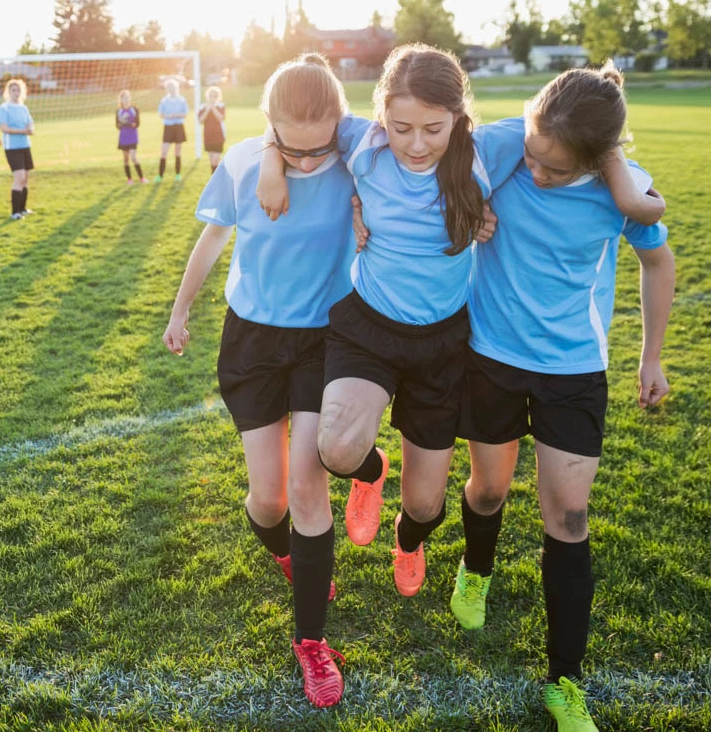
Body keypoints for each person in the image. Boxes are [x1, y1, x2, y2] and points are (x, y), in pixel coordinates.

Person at [257, 44, 664, 601]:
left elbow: (568, 120)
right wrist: (268, 163)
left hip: (446, 342)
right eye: (400, 127)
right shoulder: (362, 143)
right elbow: (296, 129)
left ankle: (410, 538)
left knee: (425, 506)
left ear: (458, 117)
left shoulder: (488, 149)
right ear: (380, 115)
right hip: (369, 325)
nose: (416, 144)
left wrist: (624, 186)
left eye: (433, 128)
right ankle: (371, 473)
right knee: (337, 450)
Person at [451, 62, 676, 732]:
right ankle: (475, 569)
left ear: (595, 160)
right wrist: (473, 206)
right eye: (532, 154)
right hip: (489, 353)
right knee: (488, 489)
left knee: (570, 516)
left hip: (573, 369)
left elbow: (657, 258)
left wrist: (652, 355)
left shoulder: (623, 190)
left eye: (552, 167)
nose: (535, 171)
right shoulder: (508, 146)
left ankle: (564, 684)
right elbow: (436, 166)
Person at [162, 53, 374, 709]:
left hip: (323, 337)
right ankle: (354, 482)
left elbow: (404, 123)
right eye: (292, 149)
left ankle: (311, 642)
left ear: (339, 126)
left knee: (310, 490)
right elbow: (211, 239)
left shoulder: (358, 151)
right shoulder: (243, 159)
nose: (310, 163)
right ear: (268, 128)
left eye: (320, 150)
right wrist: (179, 308)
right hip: (251, 340)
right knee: (270, 502)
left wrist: (297, 157)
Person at [0, 78, 35, 219]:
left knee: (25, 179)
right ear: (8, 92)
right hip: (12, 148)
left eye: (18, 90)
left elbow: (31, 124)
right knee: (19, 178)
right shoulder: (4, 108)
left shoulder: (24, 107)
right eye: (13, 90)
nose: (16, 92)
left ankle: (23, 209)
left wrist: (30, 129)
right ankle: (15, 212)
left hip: (25, 146)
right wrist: (23, 131)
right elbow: (4, 128)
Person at [157, 78, 189, 182]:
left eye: (173, 87)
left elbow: (185, 113)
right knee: (164, 152)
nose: (171, 89)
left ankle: (178, 174)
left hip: (179, 126)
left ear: (176, 88)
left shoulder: (182, 100)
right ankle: (160, 175)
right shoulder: (164, 100)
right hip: (168, 127)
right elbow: (161, 114)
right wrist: (168, 116)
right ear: (167, 89)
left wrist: (178, 114)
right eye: (169, 87)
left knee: (178, 151)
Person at [116, 90, 148, 185]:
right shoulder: (119, 111)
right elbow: (117, 125)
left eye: (127, 97)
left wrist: (130, 124)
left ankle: (142, 178)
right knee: (126, 159)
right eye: (124, 98)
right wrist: (122, 124)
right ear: (121, 100)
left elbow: (137, 124)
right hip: (123, 137)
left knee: (133, 157)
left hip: (133, 136)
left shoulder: (134, 109)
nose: (126, 99)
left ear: (130, 98)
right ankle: (129, 179)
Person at [197, 86, 227, 173]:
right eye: (211, 95)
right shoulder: (203, 107)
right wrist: (207, 109)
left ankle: (215, 179)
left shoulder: (221, 106)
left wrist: (213, 108)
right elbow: (200, 120)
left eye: (215, 96)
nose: (212, 98)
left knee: (215, 159)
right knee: (212, 159)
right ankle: (217, 177)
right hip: (208, 136)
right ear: (207, 96)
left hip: (218, 136)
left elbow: (221, 118)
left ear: (218, 97)